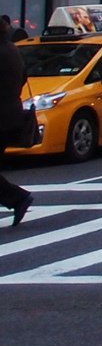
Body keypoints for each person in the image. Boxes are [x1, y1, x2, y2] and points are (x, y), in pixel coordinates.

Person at [0, 16, 33, 226]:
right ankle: (17, 198)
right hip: (10, 117)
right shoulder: (12, 50)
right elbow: (23, 78)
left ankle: (18, 197)